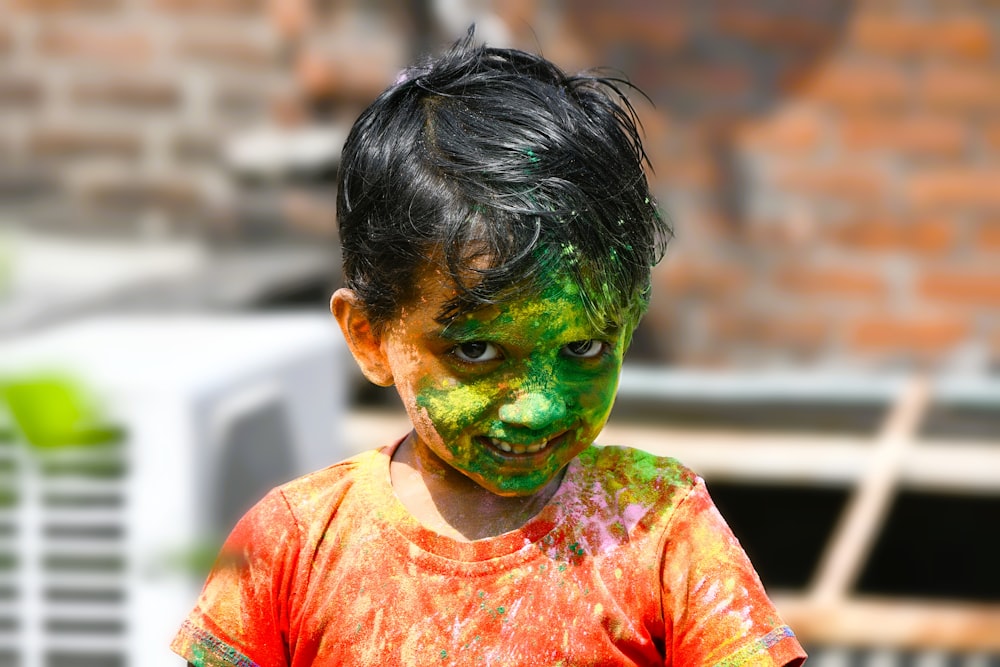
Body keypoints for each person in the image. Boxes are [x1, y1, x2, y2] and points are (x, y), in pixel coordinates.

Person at [171, 27, 807, 667]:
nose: (538, 408)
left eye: (583, 346)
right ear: (370, 337)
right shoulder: (293, 545)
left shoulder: (660, 528)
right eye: (477, 351)